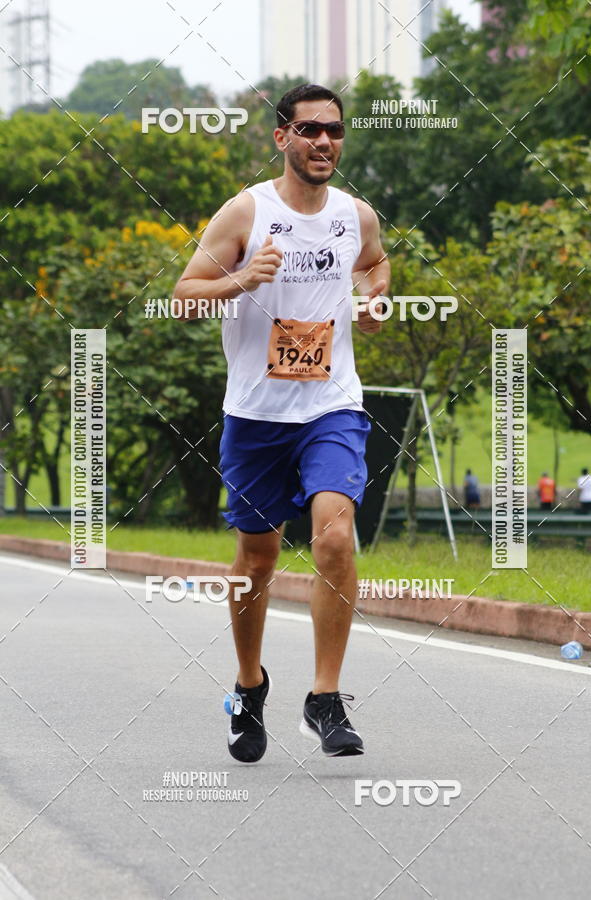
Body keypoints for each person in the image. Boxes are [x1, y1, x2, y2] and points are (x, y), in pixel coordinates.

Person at [173, 83, 390, 762]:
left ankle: (325, 699)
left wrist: (377, 292)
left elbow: (375, 265)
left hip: (332, 404)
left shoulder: (358, 216)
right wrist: (242, 280)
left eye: (334, 131)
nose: (324, 142)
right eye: (310, 131)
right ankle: (249, 685)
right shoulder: (246, 212)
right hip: (256, 415)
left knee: (334, 535)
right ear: (282, 138)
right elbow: (183, 298)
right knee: (258, 559)